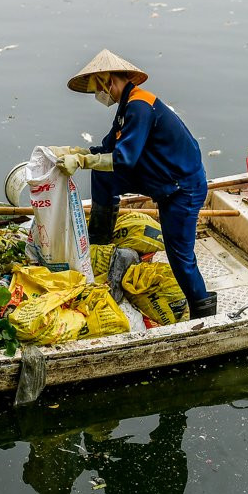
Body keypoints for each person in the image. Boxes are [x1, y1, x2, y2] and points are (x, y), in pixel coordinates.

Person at [52, 49, 216, 318]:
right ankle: (99, 241)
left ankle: (203, 312)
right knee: (103, 173)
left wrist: (82, 162)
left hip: (182, 188)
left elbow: (123, 159)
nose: (97, 94)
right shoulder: (125, 109)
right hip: (160, 178)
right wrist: (76, 152)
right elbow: (106, 149)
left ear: (109, 81)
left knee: (180, 257)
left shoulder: (140, 106)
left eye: (97, 88)